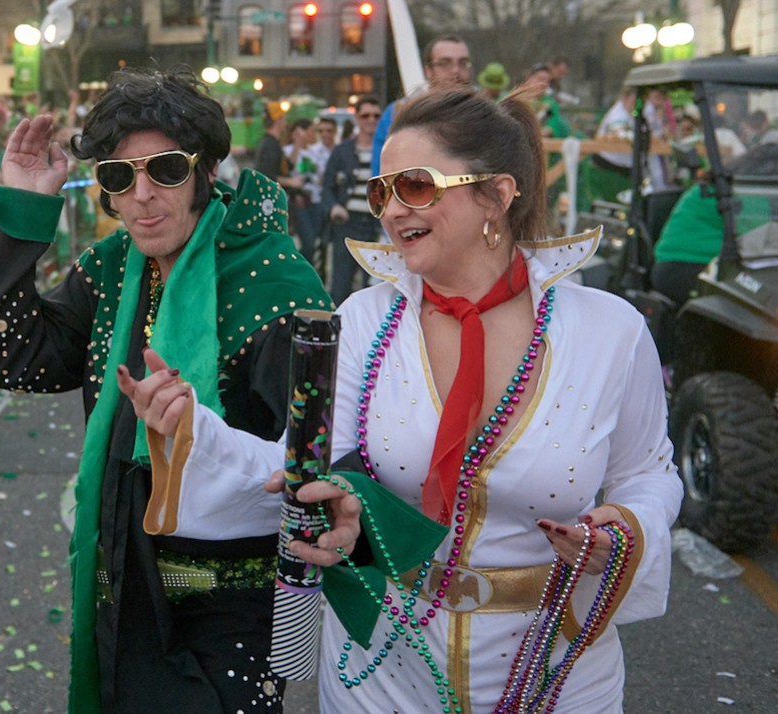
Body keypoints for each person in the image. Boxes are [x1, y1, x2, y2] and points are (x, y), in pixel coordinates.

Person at [133, 89, 683, 713]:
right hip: (382, 671)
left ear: (498, 196)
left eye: (416, 186)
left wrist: (626, 531)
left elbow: (645, 474)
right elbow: (305, 469)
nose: (392, 211)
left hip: (553, 671)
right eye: (381, 192)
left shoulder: (609, 331)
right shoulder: (364, 320)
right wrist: (193, 431)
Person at [0, 66, 330, 714]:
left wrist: (206, 441)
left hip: (228, 602)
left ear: (204, 170)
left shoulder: (267, 276)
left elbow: (322, 449)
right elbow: (11, 357)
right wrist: (23, 211)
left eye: (164, 170)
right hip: (123, 576)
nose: (141, 197)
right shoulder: (109, 268)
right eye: (116, 176)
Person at [652, 142, 778, 305]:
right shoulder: (747, 195)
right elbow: (761, 241)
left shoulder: (720, 186)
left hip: (671, 268)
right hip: (688, 268)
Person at [371, 34, 472, 176]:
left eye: (463, 63)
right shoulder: (397, 113)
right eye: (445, 63)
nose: (455, 70)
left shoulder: (483, 116)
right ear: (428, 70)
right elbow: (381, 175)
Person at [322, 95, 382, 303]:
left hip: (376, 226)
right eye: (365, 115)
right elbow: (327, 186)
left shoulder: (386, 150)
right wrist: (334, 207)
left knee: (376, 287)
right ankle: (339, 332)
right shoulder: (342, 151)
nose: (371, 120)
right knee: (340, 285)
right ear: (357, 118)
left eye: (376, 116)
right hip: (348, 224)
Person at [285, 117, 323, 266]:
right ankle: (297, 267)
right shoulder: (288, 150)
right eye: (311, 131)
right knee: (308, 242)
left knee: (314, 241)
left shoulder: (314, 152)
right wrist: (297, 143)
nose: (314, 134)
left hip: (315, 200)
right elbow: (289, 167)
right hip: (300, 202)